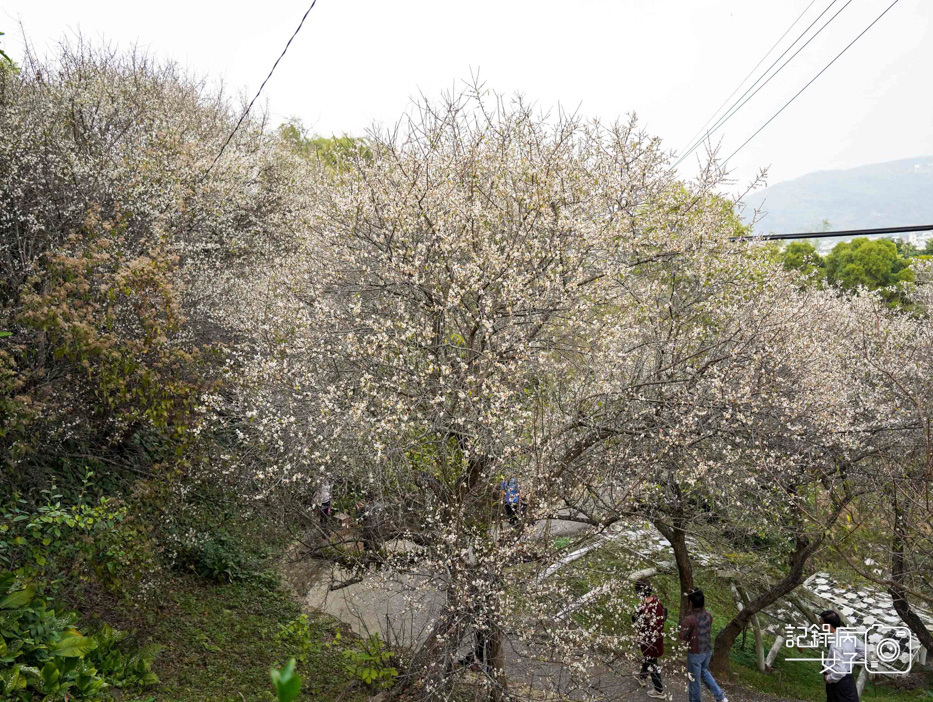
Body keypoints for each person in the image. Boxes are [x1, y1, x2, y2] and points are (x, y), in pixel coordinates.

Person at [680, 589, 728, 702]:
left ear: (691, 603)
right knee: (704, 672)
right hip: (707, 650)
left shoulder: (689, 619)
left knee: (694, 680)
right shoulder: (708, 615)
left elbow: (682, 635)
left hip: (696, 653)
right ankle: (720, 697)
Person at [631, 579, 667, 698]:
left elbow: (634, 620)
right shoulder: (657, 602)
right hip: (658, 637)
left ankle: (659, 690)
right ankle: (642, 676)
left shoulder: (642, 607)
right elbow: (663, 616)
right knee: (649, 657)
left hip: (649, 639)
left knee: (653, 662)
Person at [819, 610, 864, 702]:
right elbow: (864, 650)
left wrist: (828, 678)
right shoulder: (848, 635)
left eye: (821, 623)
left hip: (838, 685)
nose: (820, 625)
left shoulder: (835, 646)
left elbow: (840, 672)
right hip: (849, 680)